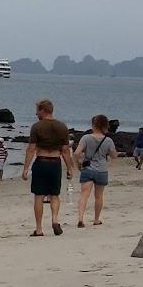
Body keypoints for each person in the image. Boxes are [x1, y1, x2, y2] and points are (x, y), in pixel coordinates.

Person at [22, 99, 76, 237]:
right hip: (55, 163)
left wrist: (25, 168)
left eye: (37, 111)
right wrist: (69, 168)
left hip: (41, 162)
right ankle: (55, 220)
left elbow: (31, 149)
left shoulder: (36, 127)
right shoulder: (62, 127)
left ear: (43, 110)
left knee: (39, 196)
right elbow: (65, 151)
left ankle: (39, 229)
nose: (36, 114)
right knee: (55, 195)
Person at [74, 115, 117, 228]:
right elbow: (114, 155)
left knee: (84, 195)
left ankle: (81, 219)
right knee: (98, 196)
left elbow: (76, 153)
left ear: (93, 125)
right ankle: (96, 219)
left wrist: (78, 164)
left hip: (88, 168)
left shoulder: (86, 138)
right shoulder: (108, 140)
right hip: (102, 170)